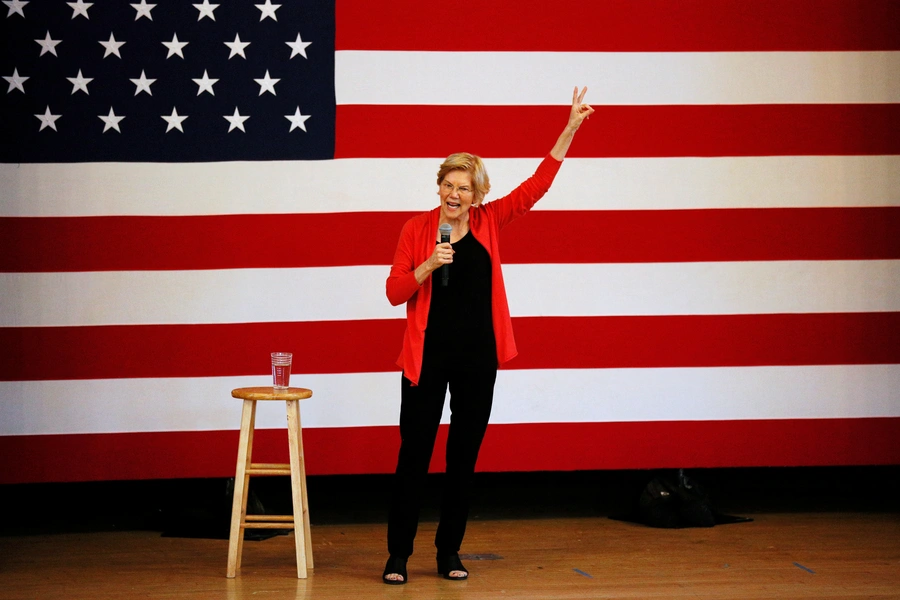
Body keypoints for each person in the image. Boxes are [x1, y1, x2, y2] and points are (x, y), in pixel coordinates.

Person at [382, 87, 595, 585]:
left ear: (477, 195)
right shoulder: (416, 230)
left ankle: (448, 553)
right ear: (438, 187)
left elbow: (536, 186)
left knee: (463, 458)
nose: (455, 195)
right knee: (413, 455)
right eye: (448, 185)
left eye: (465, 188)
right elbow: (394, 292)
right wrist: (429, 265)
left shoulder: (489, 220)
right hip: (426, 360)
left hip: (478, 359)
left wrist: (569, 128)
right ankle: (397, 556)